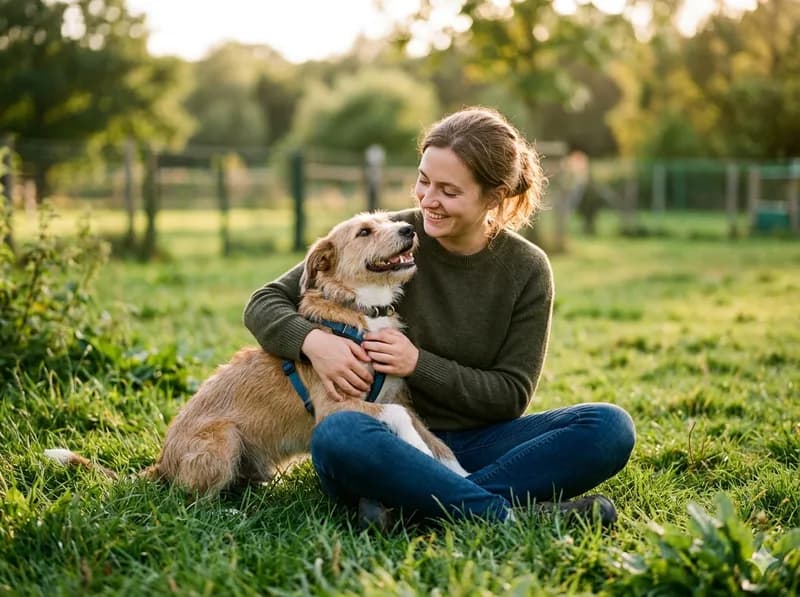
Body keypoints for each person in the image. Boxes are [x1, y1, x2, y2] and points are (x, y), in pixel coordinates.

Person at [244, 106, 635, 528]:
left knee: (609, 427)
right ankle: (507, 514)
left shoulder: (527, 269)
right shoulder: (393, 236)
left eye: (449, 191)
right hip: (384, 440)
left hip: (479, 443)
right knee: (338, 436)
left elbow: (510, 395)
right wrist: (316, 343)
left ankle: (420, 508)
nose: (429, 200)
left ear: (494, 196)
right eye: (423, 181)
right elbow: (264, 302)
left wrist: (418, 364)